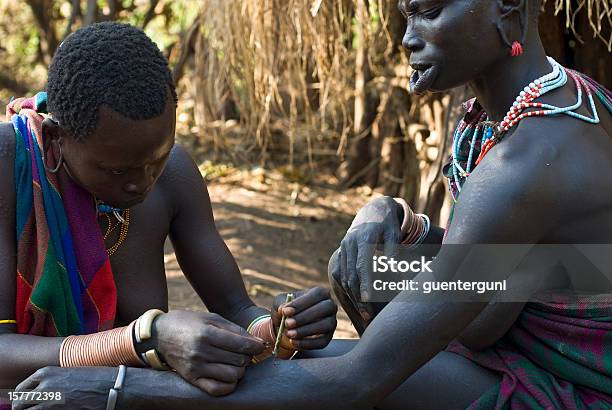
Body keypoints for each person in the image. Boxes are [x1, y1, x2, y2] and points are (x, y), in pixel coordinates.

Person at [12, 1, 612, 409]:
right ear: (61, 137)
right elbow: (529, 279)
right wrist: (397, 227)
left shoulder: (529, 158)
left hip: (567, 387)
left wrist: (114, 387)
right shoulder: (521, 112)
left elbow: (368, 375)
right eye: (406, 11)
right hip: (513, 350)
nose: (407, 35)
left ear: (508, 5)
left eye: (430, 10)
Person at [0, 21, 338, 400]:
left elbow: (234, 307)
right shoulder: (8, 166)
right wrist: (144, 339)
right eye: (116, 170)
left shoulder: (174, 174)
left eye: (156, 159)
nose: (141, 183)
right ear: (55, 138)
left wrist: (280, 329)